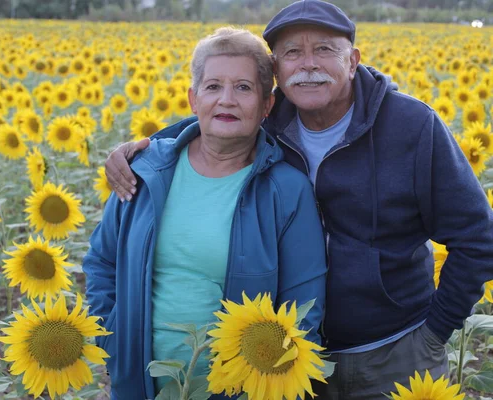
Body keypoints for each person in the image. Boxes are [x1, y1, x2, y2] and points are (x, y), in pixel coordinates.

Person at [104, 1, 493, 398]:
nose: (308, 64)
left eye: (324, 49)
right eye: (292, 52)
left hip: (394, 349)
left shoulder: (411, 126)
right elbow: (218, 116)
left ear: (353, 59)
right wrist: (145, 149)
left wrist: (435, 331)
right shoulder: (272, 119)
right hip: (286, 357)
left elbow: (477, 237)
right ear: (277, 71)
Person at [83, 27, 327, 400]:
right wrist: (114, 334)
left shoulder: (286, 189)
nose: (226, 100)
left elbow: (303, 305)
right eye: (213, 87)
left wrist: (269, 383)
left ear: (267, 106)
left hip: (238, 389)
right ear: (194, 99)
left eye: (243, 88)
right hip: (138, 384)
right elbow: (102, 261)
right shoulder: (145, 171)